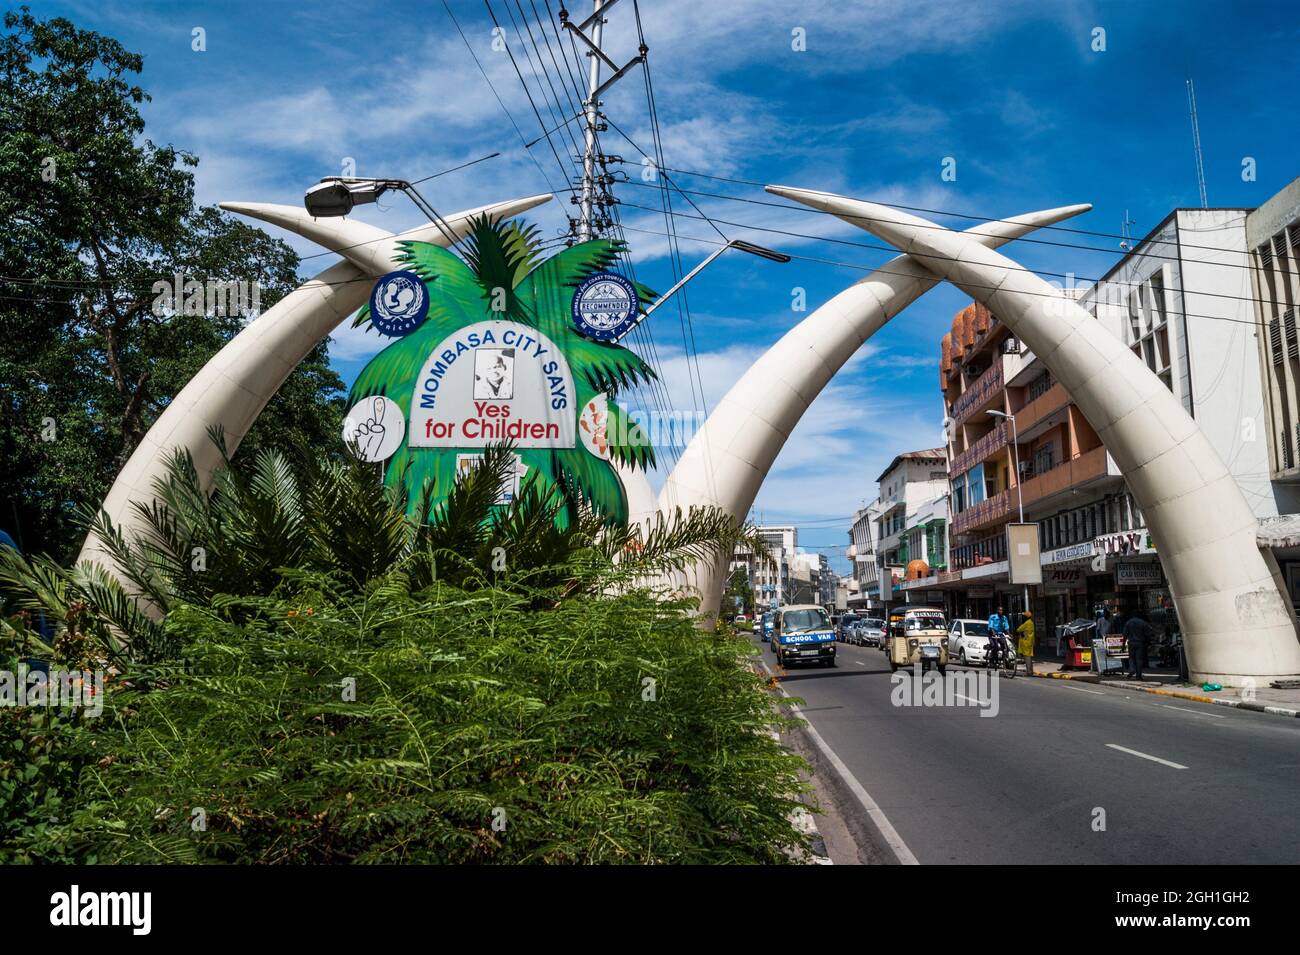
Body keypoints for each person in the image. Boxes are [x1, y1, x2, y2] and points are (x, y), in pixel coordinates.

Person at [1123, 610, 1155, 681]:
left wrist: (1123, 646)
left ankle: (1132, 669)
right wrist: (1148, 643)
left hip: (1131, 643)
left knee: (1131, 658)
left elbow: (1125, 635)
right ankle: (1138, 675)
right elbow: (1148, 634)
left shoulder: (1128, 622)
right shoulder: (1143, 623)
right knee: (1139, 660)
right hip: (1140, 643)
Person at [1016, 610, 1036, 675]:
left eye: (1024, 616)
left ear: (1026, 617)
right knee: (1029, 657)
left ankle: (1029, 672)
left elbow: (1018, 629)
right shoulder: (1031, 623)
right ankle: (1031, 671)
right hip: (1030, 642)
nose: (1023, 617)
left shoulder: (1027, 623)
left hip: (1025, 642)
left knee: (1027, 657)